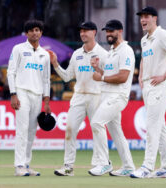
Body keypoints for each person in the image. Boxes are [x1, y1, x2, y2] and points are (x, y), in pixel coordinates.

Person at [50, 22, 108, 176]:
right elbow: (67, 77)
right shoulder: (77, 54)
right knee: (70, 129)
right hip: (79, 96)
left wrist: (98, 70)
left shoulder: (103, 54)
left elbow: (109, 77)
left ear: (94, 32)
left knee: (97, 129)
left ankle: (101, 163)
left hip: (97, 95)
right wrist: (55, 63)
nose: (83, 34)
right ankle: (68, 167)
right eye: (81, 31)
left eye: (86, 31)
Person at [131, 6, 166, 178]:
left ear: (155, 18)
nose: (143, 20)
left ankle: (147, 167)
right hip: (147, 85)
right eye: (141, 17)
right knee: (160, 128)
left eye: (146, 17)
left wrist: (164, 75)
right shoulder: (145, 39)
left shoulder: (163, 34)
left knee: (152, 126)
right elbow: (145, 58)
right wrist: (140, 75)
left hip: (159, 85)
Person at [89, 19, 136, 176]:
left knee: (96, 122)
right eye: (107, 31)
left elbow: (123, 77)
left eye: (111, 31)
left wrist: (101, 78)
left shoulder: (126, 50)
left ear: (120, 31)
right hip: (107, 95)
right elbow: (109, 76)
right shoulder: (111, 52)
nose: (108, 34)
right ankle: (128, 167)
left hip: (117, 96)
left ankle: (103, 163)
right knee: (116, 133)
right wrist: (98, 69)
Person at [7, 19, 51, 176]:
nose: (35, 32)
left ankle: (26, 164)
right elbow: (11, 72)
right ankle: (18, 166)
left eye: (37, 30)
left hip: (37, 95)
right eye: (31, 30)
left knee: (32, 130)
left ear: (41, 33)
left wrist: (46, 100)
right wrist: (13, 94)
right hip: (22, 92)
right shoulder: (18, 49)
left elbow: (46, 79)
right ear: (26, 33)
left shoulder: (45, 54)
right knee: (22, 129)